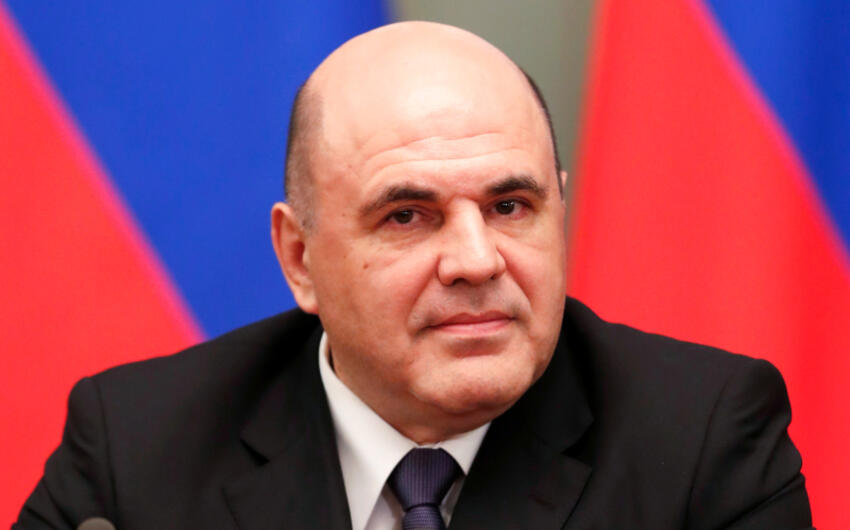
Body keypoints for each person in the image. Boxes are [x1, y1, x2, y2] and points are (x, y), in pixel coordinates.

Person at [16, 21, 811, 530]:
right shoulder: (137, 448)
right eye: (407, 216)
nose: (476, 260)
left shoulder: (702, 441)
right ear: (300, 258)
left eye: (510, 206)